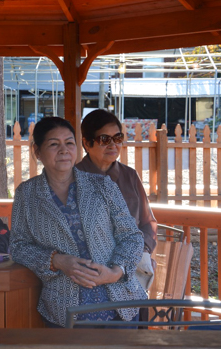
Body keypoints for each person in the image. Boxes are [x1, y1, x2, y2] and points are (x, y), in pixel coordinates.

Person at [10, 117, 147, 328]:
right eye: (54, 144)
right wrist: (56, 261)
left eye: (69, 143)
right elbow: (18, 247)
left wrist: (115, 272)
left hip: (120, 305)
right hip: (64, 311)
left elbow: (132, 236)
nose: (64, 150)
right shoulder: (27, 194)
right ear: (37, 151)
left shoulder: (103, 185)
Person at [76, 109, 157, 289]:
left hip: (130, 265)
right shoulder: (73, 179)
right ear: (87, 143)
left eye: (118, 138)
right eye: (105, 139)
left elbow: (148, 223)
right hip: (89, 271)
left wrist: (143, 252)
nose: (113, 145)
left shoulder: (130, 176)